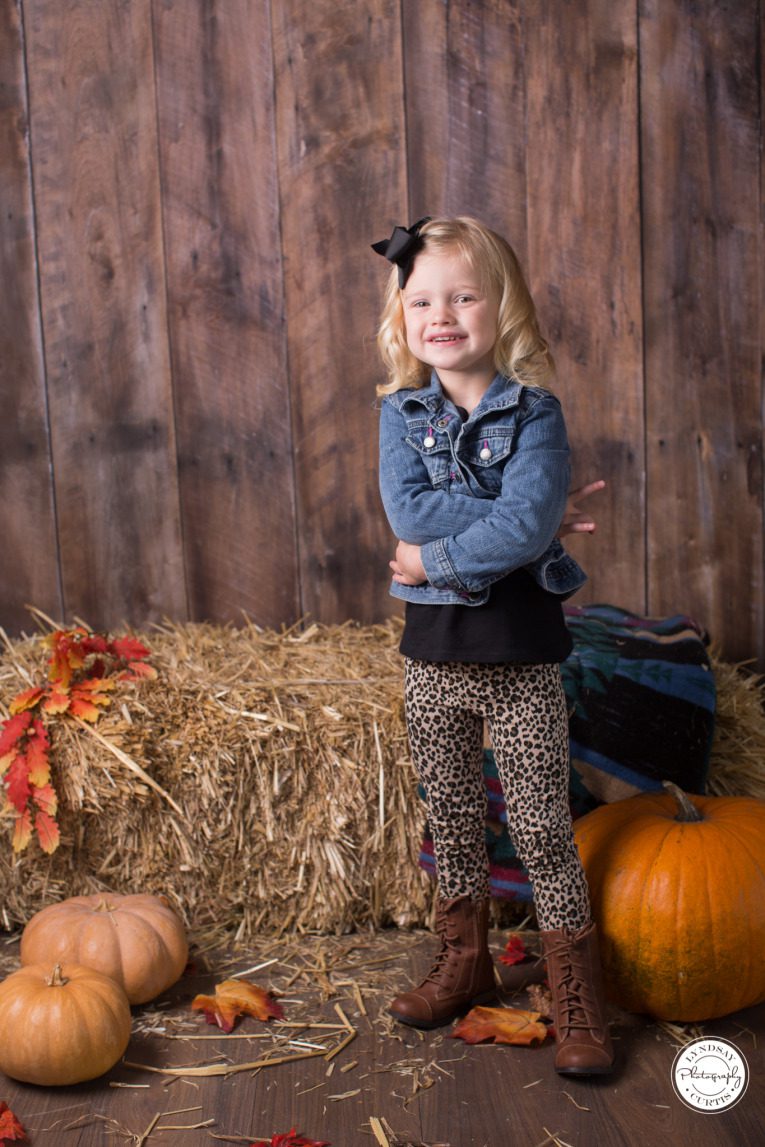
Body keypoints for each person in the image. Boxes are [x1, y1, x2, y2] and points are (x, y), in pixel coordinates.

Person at [371, 216, 613, 1076]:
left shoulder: (535, 412)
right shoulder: (400, 417)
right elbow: (417, 514)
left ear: (499, 307)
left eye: (463, 295)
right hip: (431, 655)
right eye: (422, 298)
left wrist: (437, 556)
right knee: (454, 821)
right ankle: (464, 961)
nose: (441, 313)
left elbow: (501, 522)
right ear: (401, 314)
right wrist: (524, 527)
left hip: (520, 659)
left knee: (543, 825)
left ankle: (573, 990)